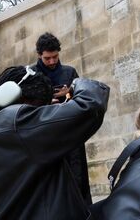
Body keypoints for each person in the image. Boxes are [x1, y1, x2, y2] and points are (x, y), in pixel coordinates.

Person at [0, 66, 110, 220]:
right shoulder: (18, 125)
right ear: (17, 97)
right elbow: (91, 104)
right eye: (37, 108)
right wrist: (74, 83)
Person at [29, 32, 93, 206]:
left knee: (77, 176)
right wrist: (46, 101)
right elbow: (23, 106)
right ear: (39, 55)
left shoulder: (69, 72)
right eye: (47, 58)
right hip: (44, 137)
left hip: (70, 134)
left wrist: (69, 94)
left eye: (55, 57)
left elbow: (84, 100)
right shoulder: (30, 74)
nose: (52, 61)